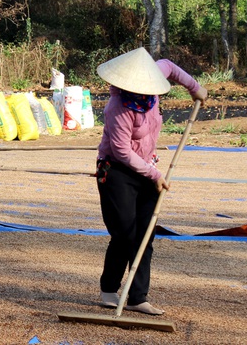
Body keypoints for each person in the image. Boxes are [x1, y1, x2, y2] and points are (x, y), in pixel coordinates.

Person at [95, 47, 207, 315]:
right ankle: (109, 289)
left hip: (148, 169)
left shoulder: (154, 82)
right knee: (125, 234)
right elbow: (122, 151)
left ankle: (138, 297)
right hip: (117, 171)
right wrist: (155, 174)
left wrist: (195, 88)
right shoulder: (118, 108)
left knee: (145, 234)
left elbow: (170, 65)